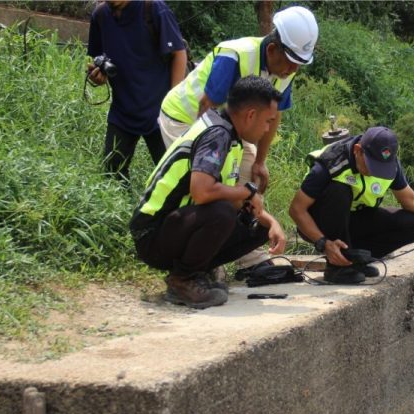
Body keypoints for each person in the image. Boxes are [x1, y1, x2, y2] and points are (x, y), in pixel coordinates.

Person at [159, 5, 318, 274]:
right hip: (185, 120)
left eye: (299, 63)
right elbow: (206, 107)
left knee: (248, 179)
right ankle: (199, 262)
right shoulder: (235, 55)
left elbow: (274, 113)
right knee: (206, 188)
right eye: (291, 61)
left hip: (227, 128)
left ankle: (249, 259)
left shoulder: (286, 69)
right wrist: (218, 164)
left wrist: (260, 161)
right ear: (272, 49)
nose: (293, 69)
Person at [129, 76, 287, 308]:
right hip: (152, 234)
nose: (267, 129)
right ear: (251, 115)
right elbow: (202, 192)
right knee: (222, 212)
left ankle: (197, 272)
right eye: (267, 121)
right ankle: (182, 279)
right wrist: (247, 192)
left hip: (177, 226)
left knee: (258, 225)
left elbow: (230, 197)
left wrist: (271, 222)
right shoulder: (217, 133)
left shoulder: (229, 135)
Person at [289, 127, 414, 284]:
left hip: (354, 219)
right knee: (339, 189)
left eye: (381, 168)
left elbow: (411, 200)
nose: (374, 172)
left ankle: (355, 260)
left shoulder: (389, 164)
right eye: (371, 166)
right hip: (320, 225)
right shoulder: (332, 163)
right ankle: (336, 268)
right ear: (358, 151)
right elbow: (297, 209)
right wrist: (323, 243)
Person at [87, 0, 187, 183]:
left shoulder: (154, 8)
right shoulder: (100, 16)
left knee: (174, 180)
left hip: (160, 112)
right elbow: (99, 57)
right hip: (123, 111)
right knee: (112, 175)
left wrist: (173, 102)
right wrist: (99, 76)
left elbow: (179, 54)